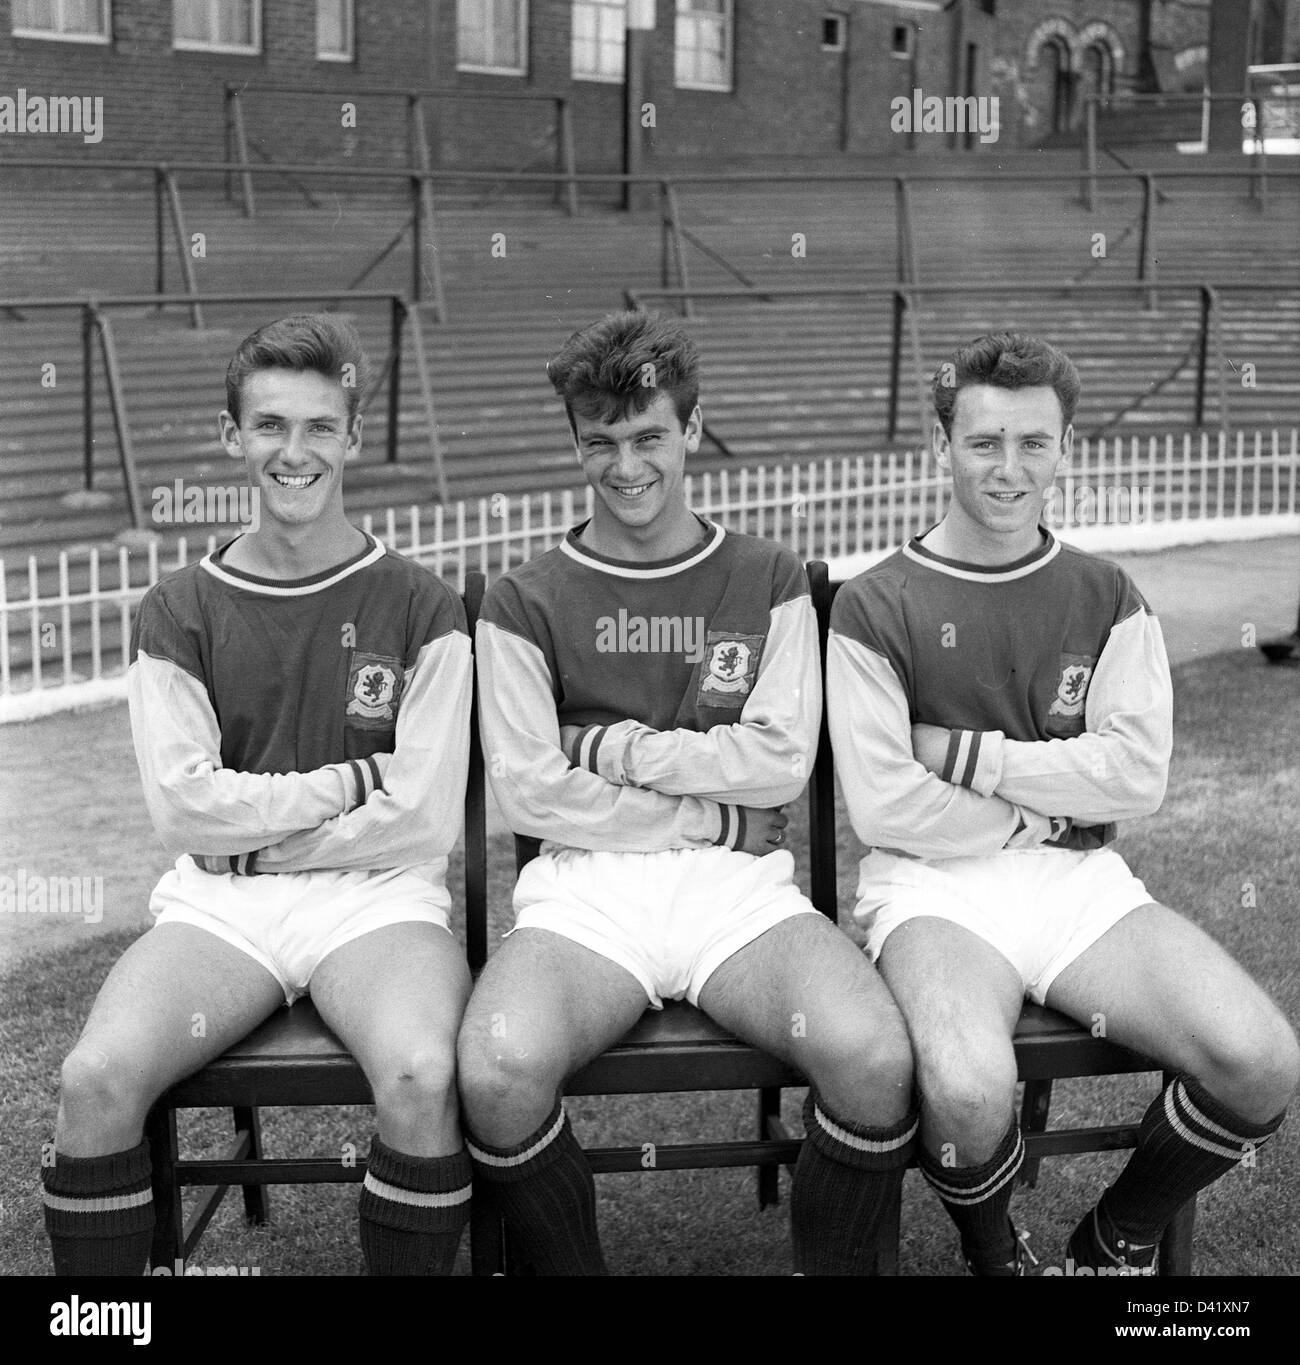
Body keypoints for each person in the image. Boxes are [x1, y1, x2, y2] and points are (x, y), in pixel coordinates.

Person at [826, 331, 1299, 1275]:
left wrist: (965, 754)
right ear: (941, 445)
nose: (1010, 468)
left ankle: (1112, 1240)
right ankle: (999, 1252)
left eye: (1033, 443)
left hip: (1080, 882)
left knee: (1262, 1058)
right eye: (985, 442)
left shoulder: (1107, 592)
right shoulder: (874, 604)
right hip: (932, 892)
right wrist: (1046, 800)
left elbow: (1136, 777)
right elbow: (887, 811)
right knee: (966, 1086)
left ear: (1065, 450)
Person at [458, 310, 917, 1275]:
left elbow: (781, 761)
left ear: (692, 428)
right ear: (578, 444)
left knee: (873, 1057)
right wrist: (709, 804)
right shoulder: (523, 597)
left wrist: (611, 746)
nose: (627, 467)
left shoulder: (769, 576)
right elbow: (533, 796)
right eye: (602, 444)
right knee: (498, 1069)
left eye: (649, 437)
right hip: (586, 891)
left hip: (737, 891)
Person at [42, 314, 474, 1276]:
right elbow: (183, 811)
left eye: (321, 426)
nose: (296, 450)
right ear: (233, 437)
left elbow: (426, 817)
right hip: (221, 906)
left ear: (354, 438)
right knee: (95, 1077)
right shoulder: (179, 607)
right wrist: (348, 783)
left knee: (420, 1071)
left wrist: (261, 840)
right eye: (270, 425)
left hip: (377, 901)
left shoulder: (420, 604)